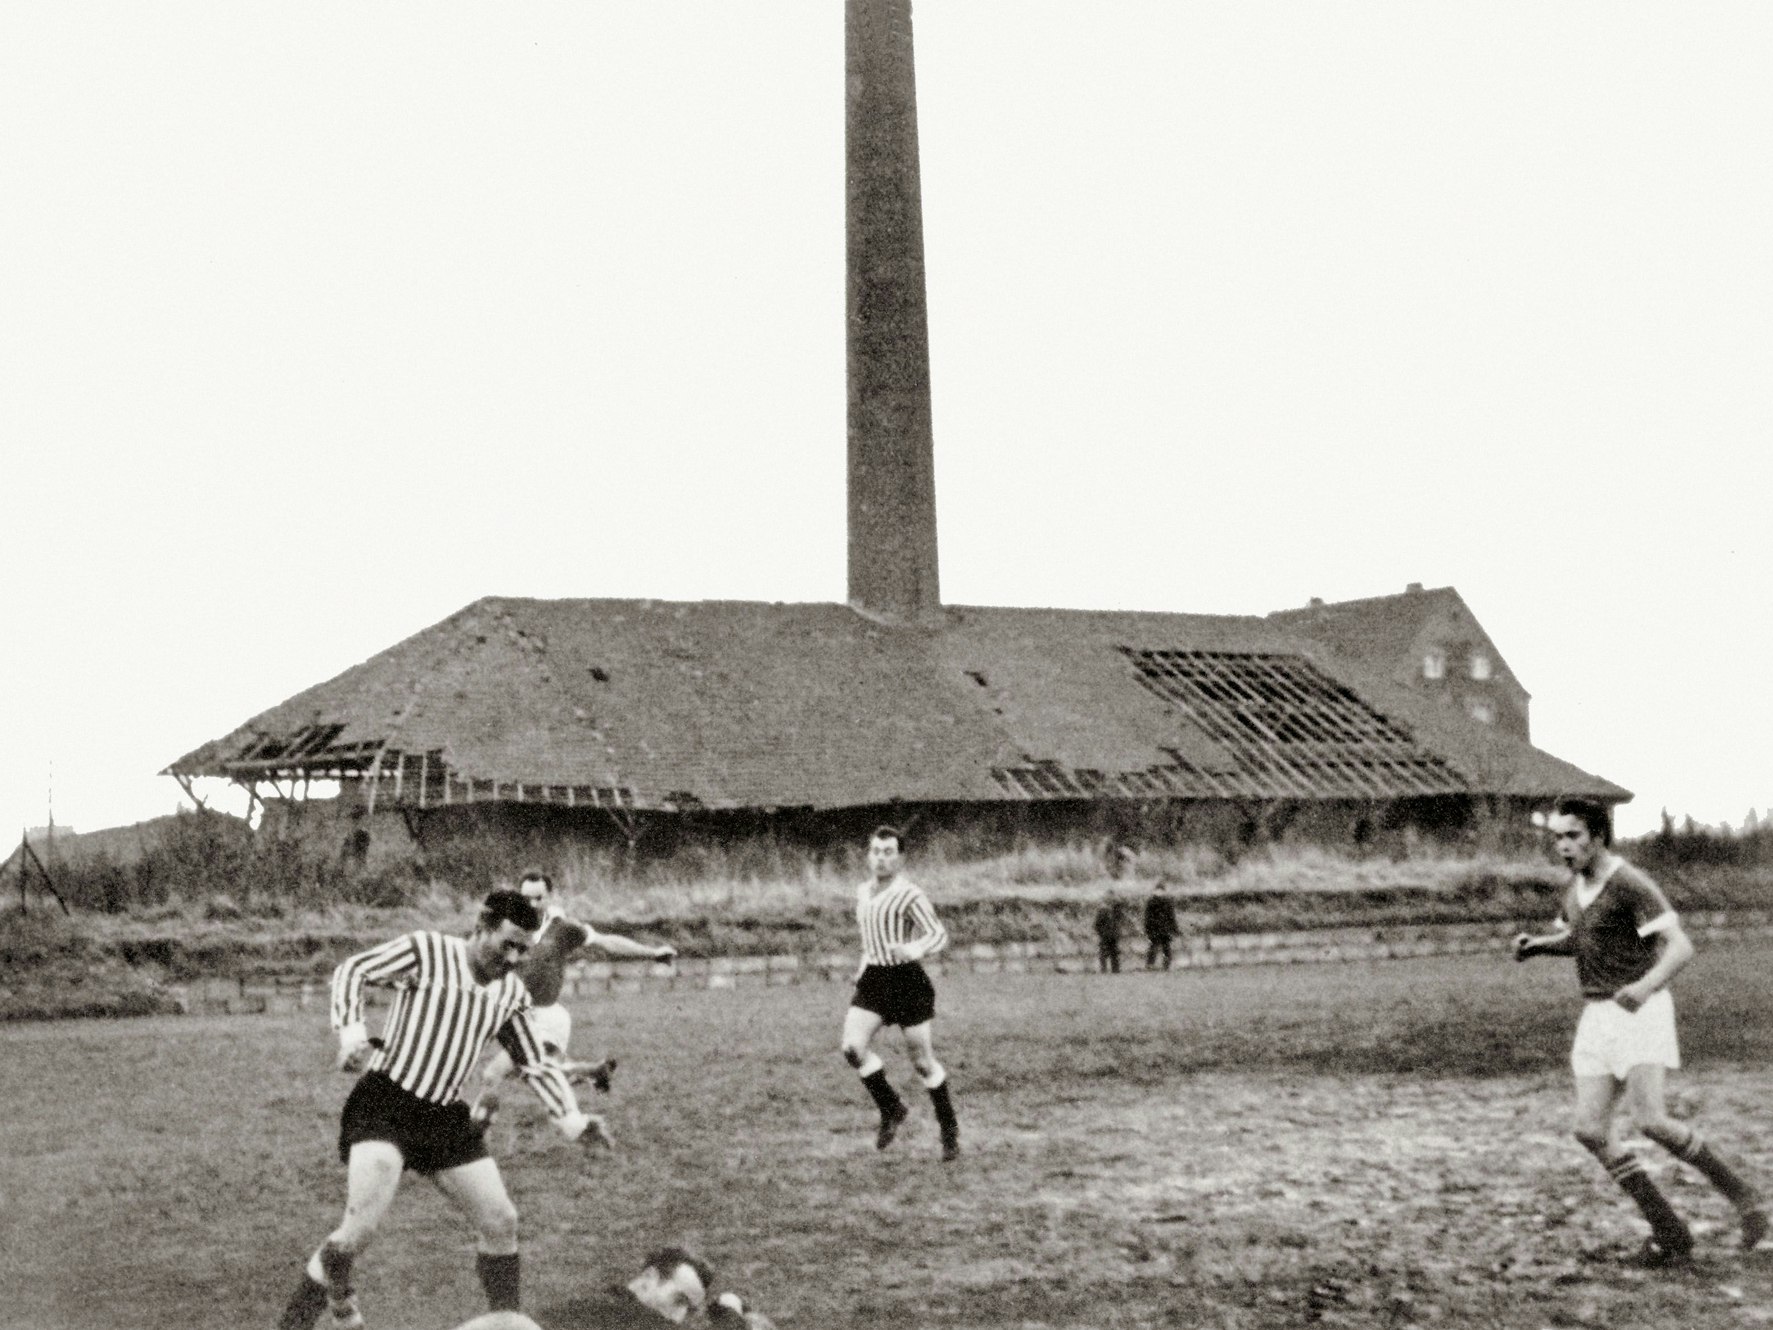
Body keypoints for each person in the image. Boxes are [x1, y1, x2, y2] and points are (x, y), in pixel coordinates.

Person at [276, 890, 614, 1330]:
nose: (512, 957)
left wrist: (573, 1121)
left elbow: (534, 1061)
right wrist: (352, 1035)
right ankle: (310, 1314)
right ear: (482, 927)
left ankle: (504, 1324)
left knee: (501, 1221)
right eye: (507, 943)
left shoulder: (511, 992)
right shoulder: (427, 950)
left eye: (523, 950)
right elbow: (352, 970)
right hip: (386, 1103)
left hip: (443, 1117)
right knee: (357, 1233)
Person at [1513, 796, 1767, 1265]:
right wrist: (1539, 947)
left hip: (1640, 1012)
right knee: (1589, 1129)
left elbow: (1681, 947)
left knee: (1651, 1121)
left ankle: (1746, 1197)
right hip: (1597, 1015)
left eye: (1572, 836)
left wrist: (1645, 987)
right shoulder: (1574, 888)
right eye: (1557, 838)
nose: (1563, 846)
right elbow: (1581, 937)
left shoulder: (1629, 883)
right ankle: (1669, 1229)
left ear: (1598, 836)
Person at [481, 870, 677, 1091]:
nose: (533, 904)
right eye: (527, 899)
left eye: (539, 898)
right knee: (539, 1076)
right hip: (518, 1017)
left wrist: (652, 953)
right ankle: (592, 1073)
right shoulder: (510, 928)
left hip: (546, 1017)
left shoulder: (563, 928)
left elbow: (606, 942)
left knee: (497, 1074)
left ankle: (586, 1080)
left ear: (551, 897)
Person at [839, 825, 962, 1162]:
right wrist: (863, 968)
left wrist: (914, 948)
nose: (881, 858)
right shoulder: (863, 892)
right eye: (876, 851)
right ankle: (892, 1108)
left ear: (901, 858)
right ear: (868, 855)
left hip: (907, 982)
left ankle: (949, 1128)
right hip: (876, 980)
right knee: (852, 1048)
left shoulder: (909, 894)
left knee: (922, 1063)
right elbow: (870, 941)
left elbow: (939, 935)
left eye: (888, 852)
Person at [447, 1248, 774, 1329]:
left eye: (688, 1311)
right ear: (646, 1279)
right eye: (678, 1299)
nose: (677, 1317)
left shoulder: (600, 1308)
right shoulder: (629, 1314)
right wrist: (730, 1307)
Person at [1143, 880, 1179, 970]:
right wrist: (1175, 929)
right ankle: (1166, 965)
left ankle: (1150, 964)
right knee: (1166, 947)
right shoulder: (1168, 901)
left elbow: (1147, 917)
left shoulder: (1150, 901)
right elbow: (1171, 917)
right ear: (1164, 890)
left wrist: (1147, 929)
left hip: (1154, 928)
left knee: (1153, 946)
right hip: (1165, 928)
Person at [1093, 896, 1125, 974]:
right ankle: (1113, 969)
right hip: (1110, 935)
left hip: (1108, 935)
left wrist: (1101, 932)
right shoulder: (1111, 911)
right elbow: (1097, 925)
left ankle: (1107, 969)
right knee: (1112, 953)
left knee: (1107, 953)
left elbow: (1097, 925)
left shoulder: (1105, 911)